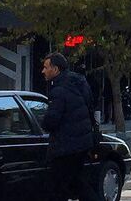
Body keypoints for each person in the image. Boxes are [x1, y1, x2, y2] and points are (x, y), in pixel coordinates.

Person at [41, 52, 101, 201]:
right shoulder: (79, 82)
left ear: (55, 69)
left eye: (46, 67)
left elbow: (51, 120)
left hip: (66, 145)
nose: (43, 71)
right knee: (77, 182)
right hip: (83, 142)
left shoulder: (58, 90)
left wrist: (44, 121)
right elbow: (89, 106)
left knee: (58, 186)